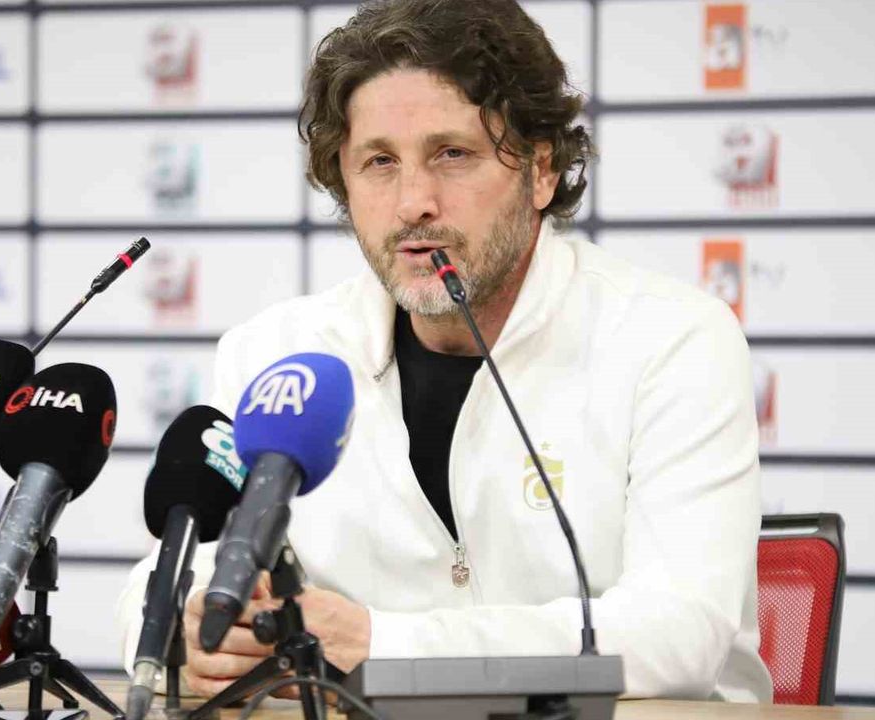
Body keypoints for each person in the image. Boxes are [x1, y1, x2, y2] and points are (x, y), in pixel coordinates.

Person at [118, 0, 773, 702]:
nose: (413, 203)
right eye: (379, 162)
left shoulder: (672, 339)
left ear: (541, 169)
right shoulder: (275, 353)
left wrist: (380, 645)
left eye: (451, 154)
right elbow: (167, 576)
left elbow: (677, 636)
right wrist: (179, 635)